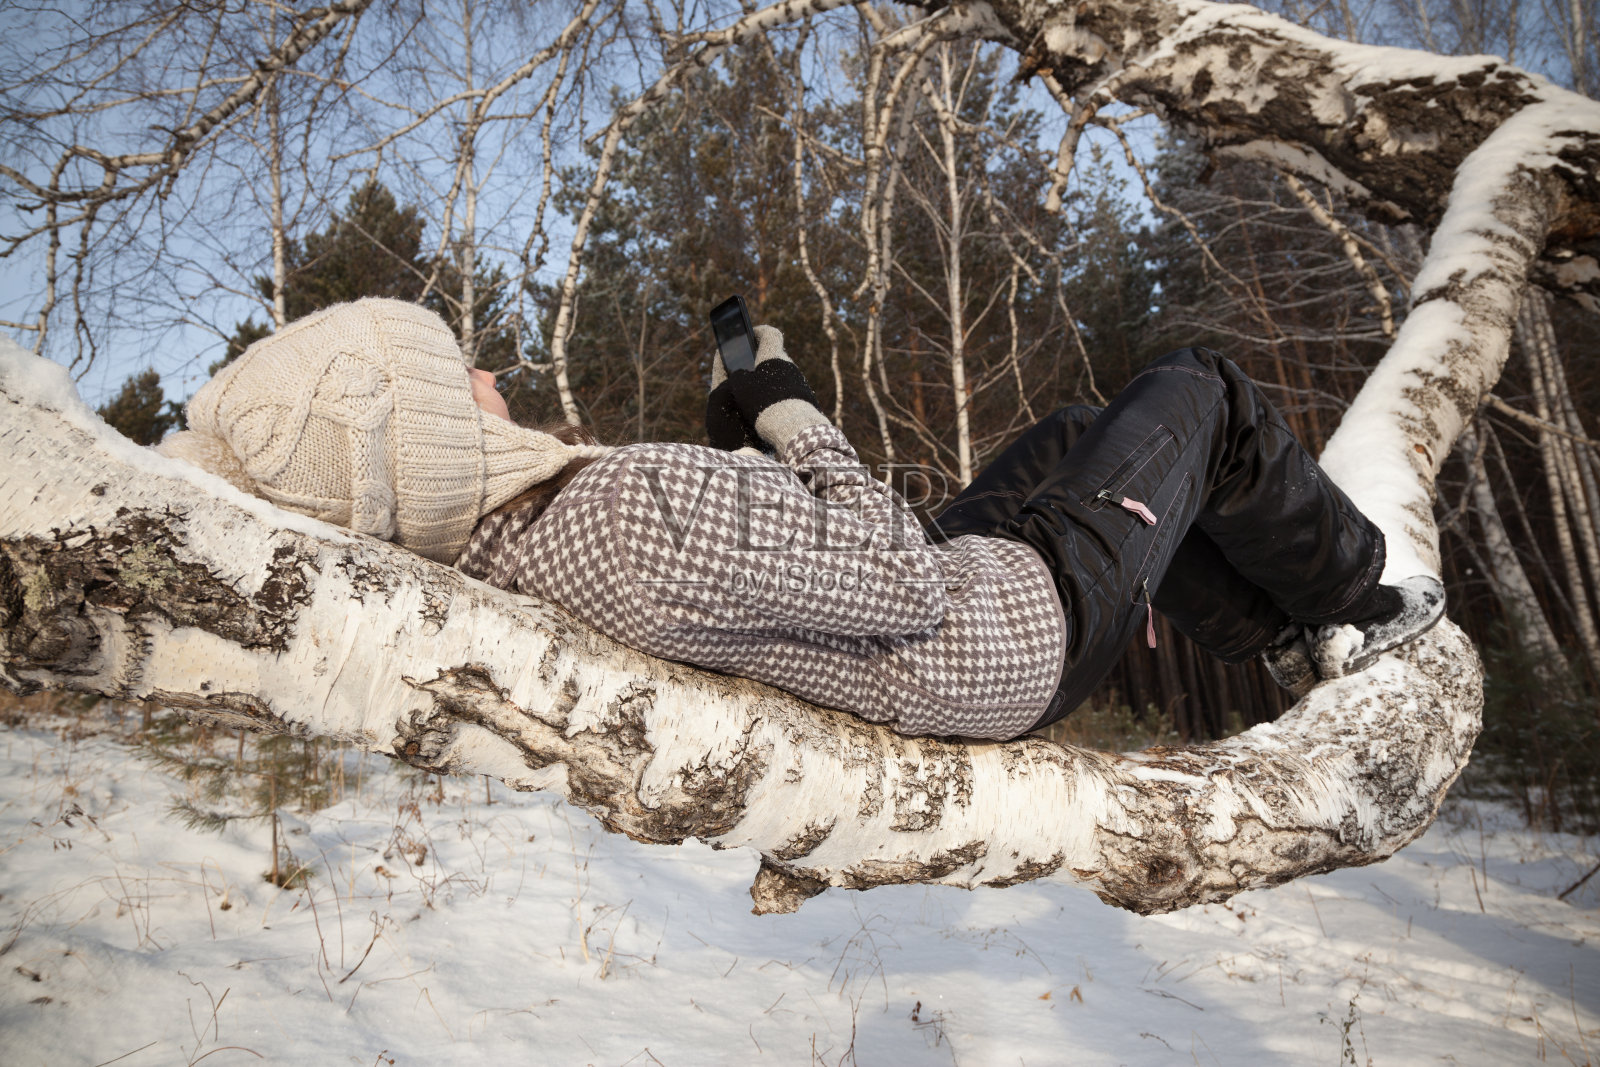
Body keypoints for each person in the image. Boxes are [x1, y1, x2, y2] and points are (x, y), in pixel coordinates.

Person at [160, 298, 1444, 741]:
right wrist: (783, 410)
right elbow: (900, 576)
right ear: (435, 435)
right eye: (463, 379)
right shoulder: (617, 507)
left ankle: (1271, 639)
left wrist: (748, 455)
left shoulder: (513, 542)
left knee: (1067, 436)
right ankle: (1356, 606)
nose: (492, 381)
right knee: (1200, 391)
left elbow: (771, 570)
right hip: (1004, 632)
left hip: (936, 622)